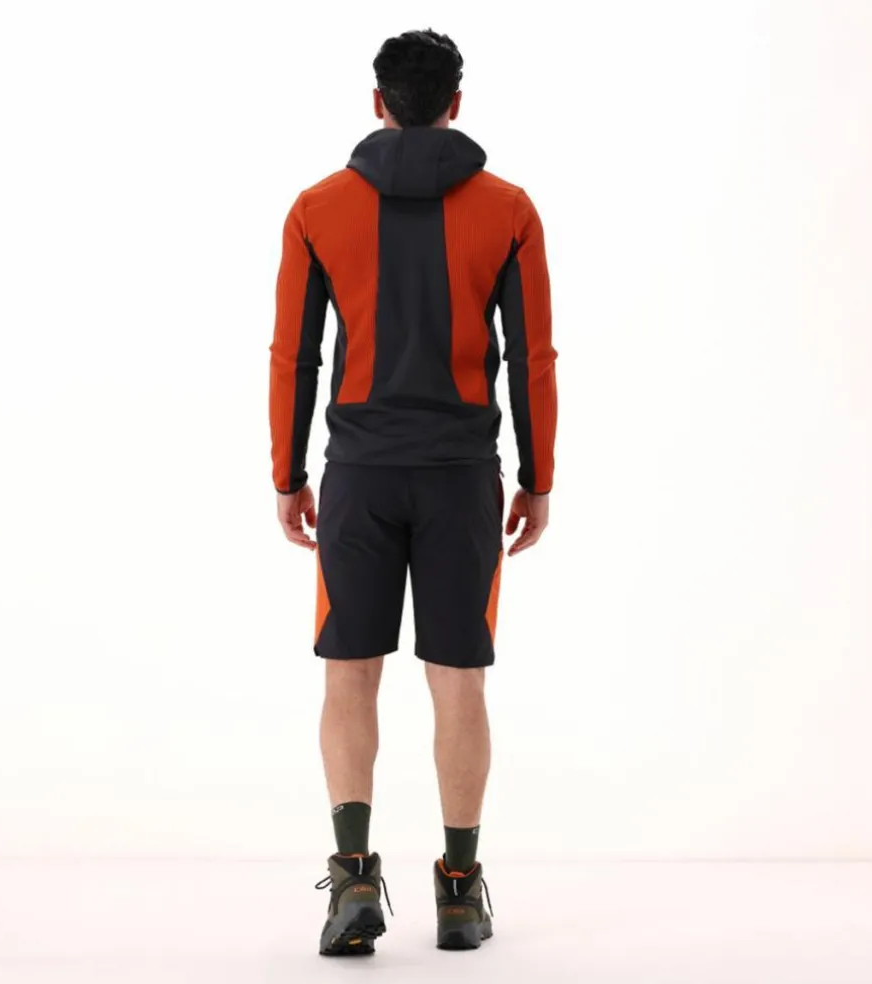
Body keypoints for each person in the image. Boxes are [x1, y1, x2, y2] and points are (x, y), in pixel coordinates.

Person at [268, 28, 557, 955]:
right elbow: (533, 358)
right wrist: (537, 477)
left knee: (349, 671)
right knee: (458, 677)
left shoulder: (317, 209)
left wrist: (288, 475)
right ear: (456, 104)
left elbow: (294, 356)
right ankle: (460, 893)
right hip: (462, 478)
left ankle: (354, 880)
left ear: (378, 102)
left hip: (357, 475)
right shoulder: (509, 210)